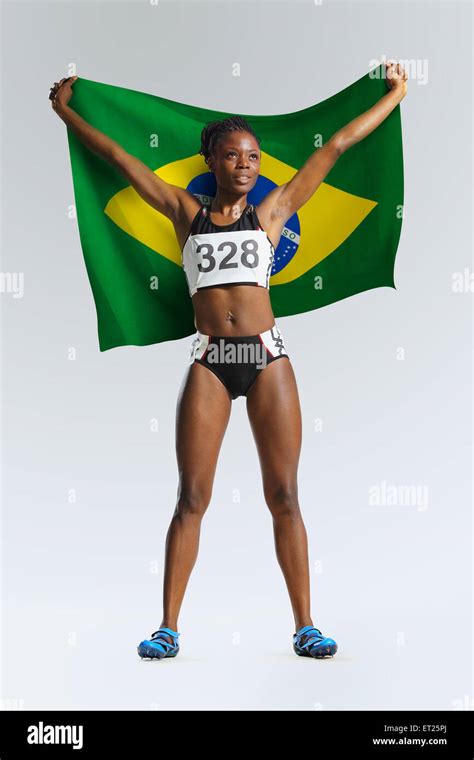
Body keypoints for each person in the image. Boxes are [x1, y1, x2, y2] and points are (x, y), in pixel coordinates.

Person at [50, 63, 408, 660]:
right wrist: (66, 111)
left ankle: (305, 626)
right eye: (234, 156)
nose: (247, 164)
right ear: (212, 161)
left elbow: (339, 143)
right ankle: (167, 626)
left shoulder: (271, 214)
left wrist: (396, 93)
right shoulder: (183, 211)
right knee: (192, 496)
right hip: (211, 360)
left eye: (254, 157)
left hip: (268, 358)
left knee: (285, 495)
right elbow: (117, 156)